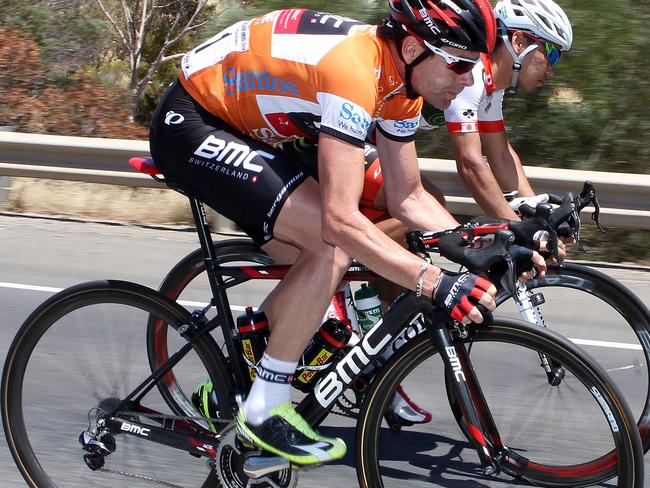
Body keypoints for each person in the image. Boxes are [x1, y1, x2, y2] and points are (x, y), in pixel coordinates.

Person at [150, 1, 505, 465]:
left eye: (474, 65)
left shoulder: (401, 85)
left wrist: (494, 241)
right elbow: (339, 219)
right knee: (330, 243)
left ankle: (239, 377)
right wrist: (434, 280)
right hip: (194, 120)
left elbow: (410, 198)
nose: (467, 80)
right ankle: (264, 410)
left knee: (327, 259)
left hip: (252, 128)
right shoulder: (355, 72)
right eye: (459, 64)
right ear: (416, 47)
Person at [364, 0, 574, 221]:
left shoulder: (492, 86)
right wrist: (519, 229)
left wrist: (538, 216)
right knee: (428, 208)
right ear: (519, 41)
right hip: (355, 134)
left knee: (425, 216)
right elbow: (470, 164)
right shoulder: (468, 72)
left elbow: (500, 154)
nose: (551, 71)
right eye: (551, 54)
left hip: (377, 142)